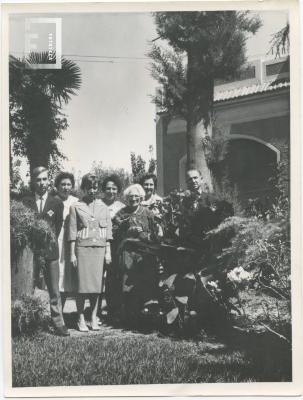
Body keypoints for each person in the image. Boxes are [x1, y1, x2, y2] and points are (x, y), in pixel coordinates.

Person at [22, 166, 69, 336]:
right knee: (29, 287)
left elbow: (57, 228)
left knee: (54, 290)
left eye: (44, 179)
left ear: (48, 181)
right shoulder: (25, 202)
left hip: (50, 252)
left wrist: (46, 244)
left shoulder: (56, 203)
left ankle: (58, 323)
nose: (41, 183)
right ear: (33, 182)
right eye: (38, 180)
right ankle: (29, 322)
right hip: (30, 254)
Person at [68, 174, 112, 332]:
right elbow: (72, 232)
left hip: (99, 250)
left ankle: (93, 317)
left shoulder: (103, 207)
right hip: (82, 249)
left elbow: (108, 234)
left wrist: (108, 253)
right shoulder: (76, 207)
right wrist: (72, 254)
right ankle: (80, 318)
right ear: (84, 188)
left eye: (95, 187)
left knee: (96, 287)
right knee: (81, 286)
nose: (92, 190)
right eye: (89, 187)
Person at [112, 184, 159, 325]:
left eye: (136, 196)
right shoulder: (121, 213)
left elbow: (155, 233)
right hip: (128, 252)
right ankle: (129, 317)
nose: (133, 199)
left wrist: (143, 233)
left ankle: (145, 317)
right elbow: (114, 232)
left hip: (144, 253)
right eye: (130, 196)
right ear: (126, 198)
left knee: (144, 283)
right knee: (127, 283)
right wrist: (125, 228)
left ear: (141, 197)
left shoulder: (147, 212)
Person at [101, 175, 125, 320]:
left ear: (118, 190)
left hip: (115, 246)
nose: (111, 191)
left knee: (113, 278)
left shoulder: (121, 207)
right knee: (97, 278)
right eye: (108, 188)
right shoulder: (97, 204)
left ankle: (113, 310)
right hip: (97, 244)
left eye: (114, 188)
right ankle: (95, 310)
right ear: (103, 190)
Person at [54, 172, 78, 311]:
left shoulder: (76, 202)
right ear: (57, 186)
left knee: (69, 278)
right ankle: (58, 313)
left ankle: (76, 313)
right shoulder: (52, 200)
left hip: (71, 242)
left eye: (68, 184)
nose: (66, 187)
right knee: (58, 277)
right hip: (57, 241)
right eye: (62, 184)